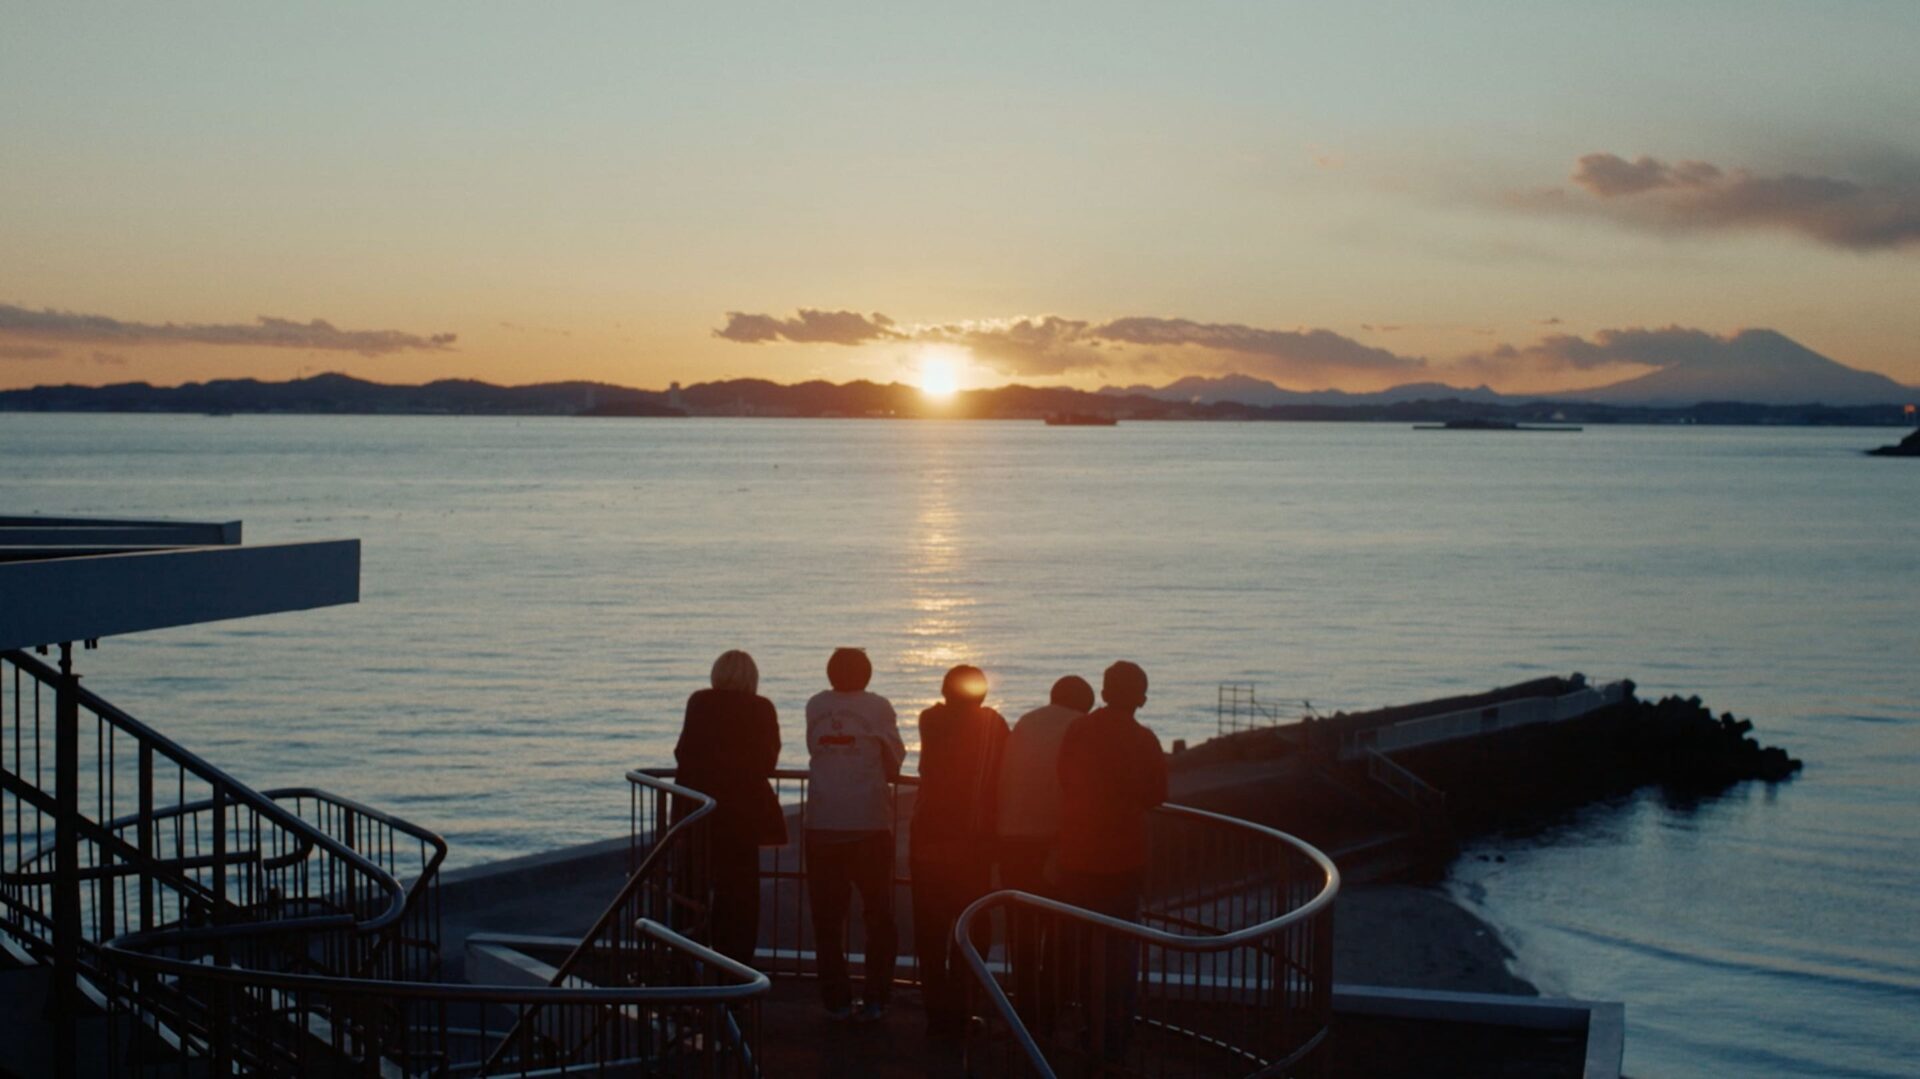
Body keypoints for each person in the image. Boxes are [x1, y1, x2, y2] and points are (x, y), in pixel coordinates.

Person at [1056, 660, 1166, 1061]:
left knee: (1085, 949)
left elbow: (1064, 776)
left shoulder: (1078, 730)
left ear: (1103, 694)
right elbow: (1156, 794)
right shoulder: (1143, 740)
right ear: (1141, 698)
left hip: (1077, 856)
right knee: (1121, 953)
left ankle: (1090, 1026)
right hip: (1123, 860)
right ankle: (1117, 1035)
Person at [804, 647, 906, 1022]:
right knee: (879, 915)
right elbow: (895, 761)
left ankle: (836, 1000)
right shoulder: (878, 707)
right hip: (869, 823)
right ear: (867, 673)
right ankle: (877, 997)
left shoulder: (815, 705)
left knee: (827, 920)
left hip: (822, 823)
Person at [909, 664, 1009, 1039]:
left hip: (927, 839)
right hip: (972, 843)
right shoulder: (992, 725)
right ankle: (963, 1008)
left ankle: (938, 1017)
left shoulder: (929, 719)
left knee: (930, 933)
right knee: (972, 931)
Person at [672, 649, 784, 968]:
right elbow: (768, 760)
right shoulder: (762, 708)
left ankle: (682, 967)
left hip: (699, 812)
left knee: (688, 892)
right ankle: (734, 971)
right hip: (742, 817)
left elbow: (684, 753)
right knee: (740, 899)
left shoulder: (700, 702)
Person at [995, 674, 1095, 1026]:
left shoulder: (1025, 722)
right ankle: (1050, 1011)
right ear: (1086, 703)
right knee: (1059, 931)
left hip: (1010, 838)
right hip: (1053, 841)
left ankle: (1023, 1008)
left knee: (1020, 930)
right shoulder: (1083, 727)